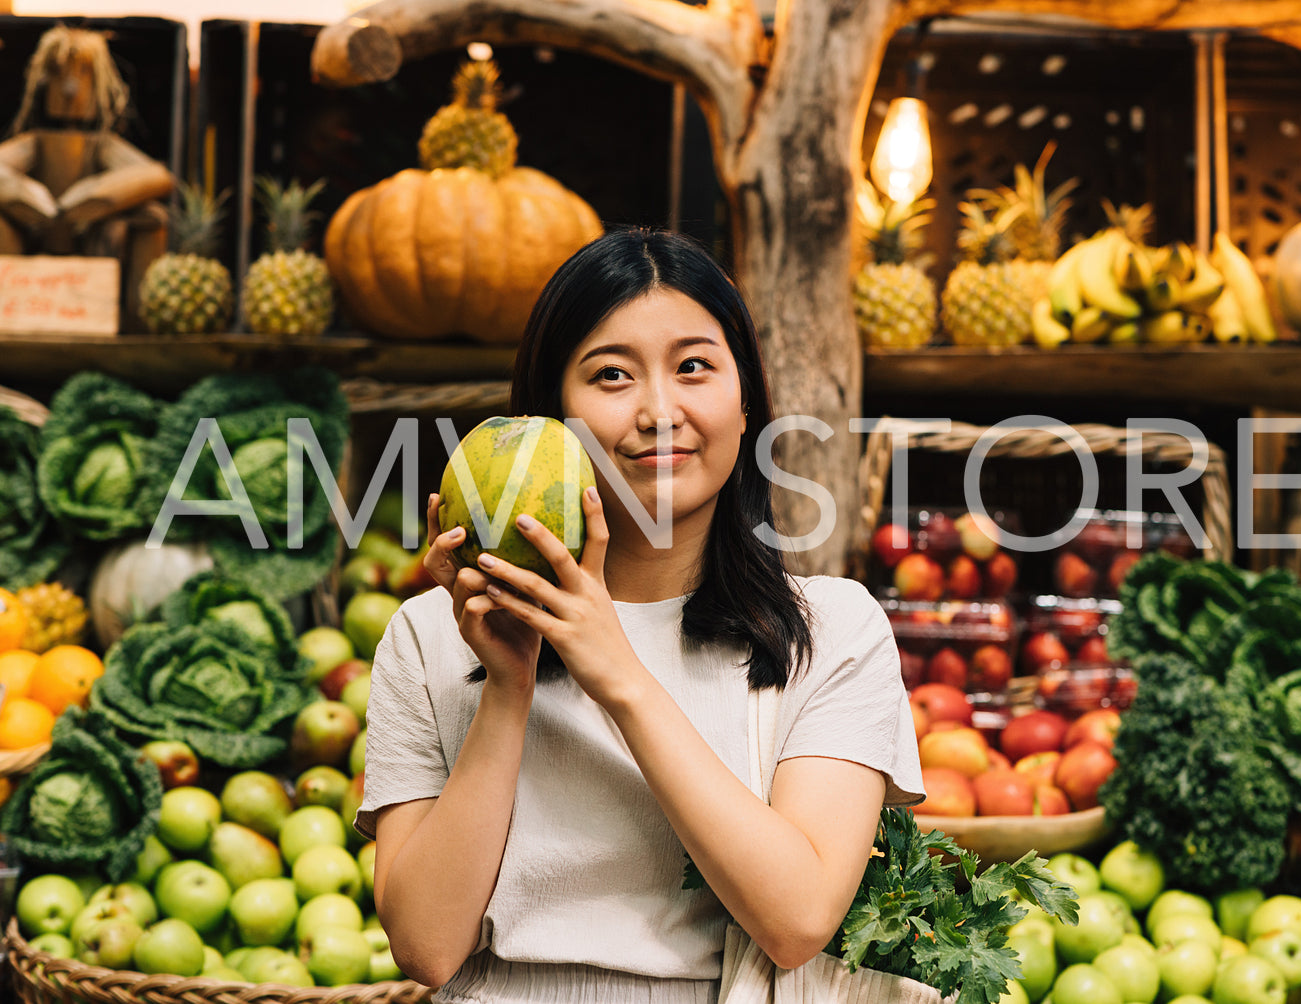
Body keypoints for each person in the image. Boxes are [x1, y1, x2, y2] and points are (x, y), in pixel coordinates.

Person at [357, 226, 924, 1003]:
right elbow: (425, 945)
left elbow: (795, 919)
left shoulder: (831, 633)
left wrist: (615, 670)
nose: (660, 410)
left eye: (693, 367)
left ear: (746, 397)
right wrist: (507, 685)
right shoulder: (428, 638)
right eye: (612, 375)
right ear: (552, 414)